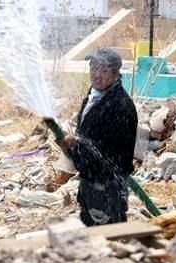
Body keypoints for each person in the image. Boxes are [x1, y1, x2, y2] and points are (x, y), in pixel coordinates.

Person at [51, 47, 137, 226]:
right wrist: (71, 146)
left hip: (107, 186)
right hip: (90, 183)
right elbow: (90, 138)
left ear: (115, 75)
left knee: (108, 238)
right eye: (94, 68)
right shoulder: (94, 95)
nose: (97, 75)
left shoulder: (120, 105)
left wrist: (76, 142)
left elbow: (110, 149)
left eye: (104, 70)